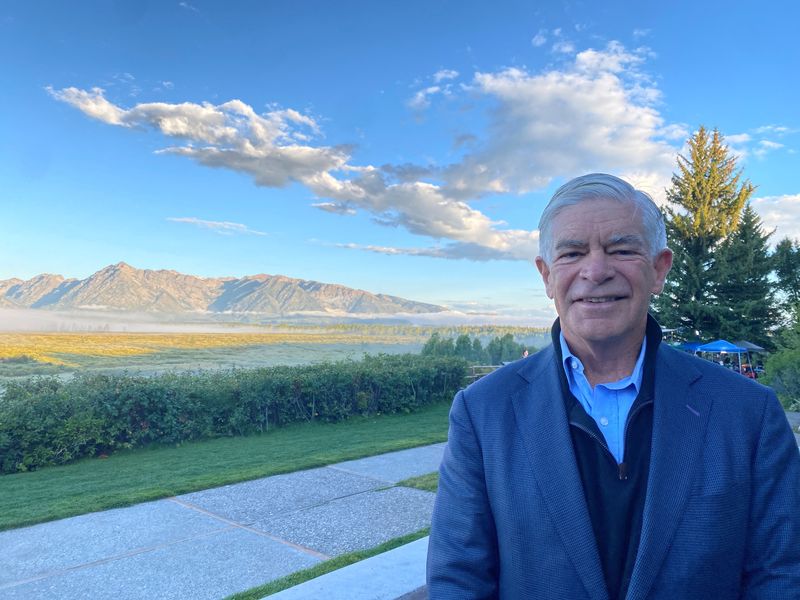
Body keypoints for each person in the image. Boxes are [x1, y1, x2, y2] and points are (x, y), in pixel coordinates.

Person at [427, 173, 800, 599]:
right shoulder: (483, 412)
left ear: (659, 270)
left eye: (622, 250)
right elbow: (459, 580)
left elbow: (782, 576)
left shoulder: (748, 412)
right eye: (572, 252)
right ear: (546, 275)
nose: (597, 270)